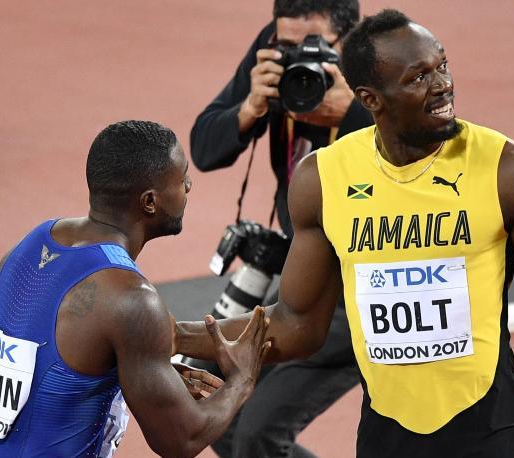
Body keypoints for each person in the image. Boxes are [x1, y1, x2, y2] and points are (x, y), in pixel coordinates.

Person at [176, 10, 514, 458]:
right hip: (385, 442)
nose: (444, 85)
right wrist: (171, 336)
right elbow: (297, 326)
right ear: (371, 98)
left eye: (443, 66)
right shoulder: (323, 178)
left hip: (491, 436)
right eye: (418, 78)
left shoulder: (510, 169)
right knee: (249, 432)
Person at [0, 120, 270, 458]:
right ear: (149, 202)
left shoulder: (27, 247)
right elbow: (182, 439)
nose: (189, 186)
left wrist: (118, 376)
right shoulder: (131, 299)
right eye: (182, 179)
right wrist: (241, 380)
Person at [189, 1, 369, 457]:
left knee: (256, 436)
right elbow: (204, 148)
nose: (297, 56)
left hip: (366, 286)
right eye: (287, 43)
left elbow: (432, 161)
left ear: (347, 39)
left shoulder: (382, 61)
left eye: (314, 45)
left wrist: (354, 118)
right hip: (305, 275)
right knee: (210, 404)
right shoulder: (276, 50)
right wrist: (249, 107)